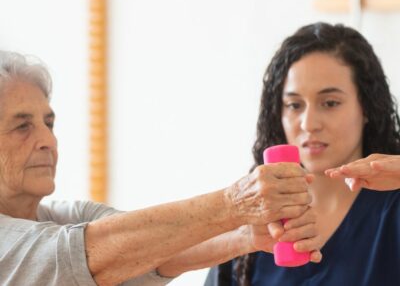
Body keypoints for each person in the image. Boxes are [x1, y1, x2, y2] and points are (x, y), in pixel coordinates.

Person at [0, 50, 321, 286]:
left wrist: (245, 236)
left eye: (49, 123)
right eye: (22, 127)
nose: (48, 141)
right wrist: (236, 203)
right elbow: (88, 255)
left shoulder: (67, 217)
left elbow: (148, 251)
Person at [205, 22, 400, 286]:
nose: (309, 124)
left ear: (366, 107)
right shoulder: (251, 222)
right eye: (294, 105)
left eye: (330, 103)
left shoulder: (392, 210)